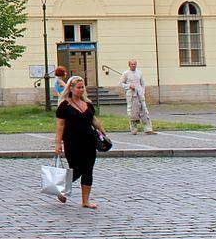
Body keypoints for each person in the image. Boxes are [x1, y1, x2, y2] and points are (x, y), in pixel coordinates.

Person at [53, 75, 108, 209]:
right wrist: (58, 144)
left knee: (88, 169)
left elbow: (94, 120)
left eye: (82, 87)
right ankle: (62, 190)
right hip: (72, 143)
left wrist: (104, 134)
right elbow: (60, 126)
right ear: (71, 88)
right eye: (78, 87)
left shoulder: (88, 104)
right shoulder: (64, 106)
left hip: (89, 142)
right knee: (77, 169)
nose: (81, 90)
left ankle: (85, 201)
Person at [118, 59, 155, 135]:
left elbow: (143, 84)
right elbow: (121, 83)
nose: (133, 65)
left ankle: (148, 129)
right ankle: (133, 129)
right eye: (132, 64)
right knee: (131, 112)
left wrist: (142, 92)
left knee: (144, 110)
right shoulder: (126, 73)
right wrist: (129, 86)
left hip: (140, 95)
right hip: (131, 95)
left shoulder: (139, 73)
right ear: (129, 65)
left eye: (135, 64)